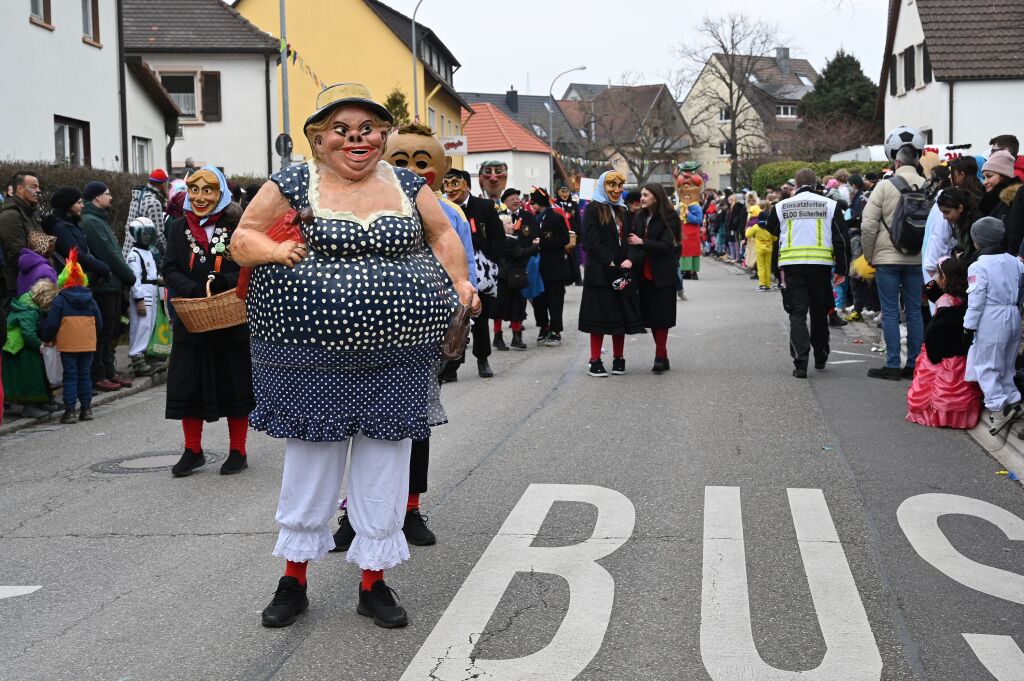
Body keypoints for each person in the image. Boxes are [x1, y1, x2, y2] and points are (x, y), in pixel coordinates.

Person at [230, 83, 478, 629]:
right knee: (312, 463)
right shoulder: (294, 181)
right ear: (319, 139)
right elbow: (243, 237)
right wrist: (275, 249)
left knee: (384, 465)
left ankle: (374, 580)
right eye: (342, 130)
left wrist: (460, 281)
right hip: (307, 355)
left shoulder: (409, 184)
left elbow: (441, 236)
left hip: (397, 355)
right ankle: (293, 578)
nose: (356, 139)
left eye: (367, 129)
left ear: (383, 135)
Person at [162, 166, 254, 478]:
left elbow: (249, 265)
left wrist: (226, 282)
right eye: (195, 190)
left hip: (229, 316)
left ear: (222, 194)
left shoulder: (235, 225)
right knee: (189, 384)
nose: (201, 197)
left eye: (209, 190)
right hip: (191, 317)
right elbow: (170, 266)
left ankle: (238, 451)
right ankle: (192, 450)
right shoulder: (177, 228)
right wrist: (189, 289)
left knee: (234, 382)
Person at [766, 168, 848, 378]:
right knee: (819, 313)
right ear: (815, 184)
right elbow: (841, 239)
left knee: (797, 313)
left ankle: (801, 362)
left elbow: (771, 230)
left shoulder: (781, 206)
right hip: (820, 266)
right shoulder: (830, 205)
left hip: (793, 266)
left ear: (795, 184)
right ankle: (820, 355)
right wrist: (842, 269)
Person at [862, 142, 927, 380]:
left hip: (887, 256)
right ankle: (914, 365)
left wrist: (870, 255)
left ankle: (891, 364)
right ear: (917, 162)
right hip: (917, 257)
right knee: (914, 312)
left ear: (896, 163)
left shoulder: (884, 186)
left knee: (890, 311)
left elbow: (868, 225)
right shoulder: (927, 186)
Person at [578, 171, 645, 377]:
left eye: (620, 186)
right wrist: (610, 260)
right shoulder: (592, 209)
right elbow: (591, 240)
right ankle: (595, 360)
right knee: (598, 319)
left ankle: (619, 357)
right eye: (612, 185)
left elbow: (632, 239)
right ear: (601, 186)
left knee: (620, 318)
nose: (616, 190)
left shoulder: (624, 211)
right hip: (599, 273)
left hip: (621, 272)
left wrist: (630, 259)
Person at [962, 217, 1024, 434]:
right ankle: (1013, 399)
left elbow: (976, 300)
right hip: (1013, 312)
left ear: (977, 241)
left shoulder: (978, 266)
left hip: (991, 316)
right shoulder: (1014, 261)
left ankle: (998, 407)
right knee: (1007, 362)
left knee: (985, 364)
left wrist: (968, 327)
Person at [906, 256, 981, 429]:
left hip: (940, 354)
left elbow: (933, 333)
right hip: (959, 355)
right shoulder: (963, 297)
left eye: (938, 275)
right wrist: (946, 265)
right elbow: (930, 288)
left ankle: (937, 415)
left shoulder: (946, 305)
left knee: (934, 386)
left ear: (944, 278)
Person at [444, 168, 503, 377]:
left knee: (480, 318)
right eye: (446, 183)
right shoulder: (441, 207)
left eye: (455, 183)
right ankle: (452, 365)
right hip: (451, 271)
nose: (450, 189)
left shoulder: (484, 206)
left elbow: (499, 238)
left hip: (481, 272)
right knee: (454, 319)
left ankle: (483, 359)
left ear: (467, 185)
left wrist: (490, 258)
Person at [80, 181, 136, 392]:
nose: (111, 197)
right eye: (107, 194)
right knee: (103, 332)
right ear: (96, 198)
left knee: (112, 331)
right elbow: (109, 254)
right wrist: (129, 276)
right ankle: (99, 374)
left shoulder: (98, 219)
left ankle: (109, 370)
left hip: (113, 284)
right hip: (104, 285)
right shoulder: (91, 222)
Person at [40, 249, 103, 424]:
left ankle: (70, 411)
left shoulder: (60, 300)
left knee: (70, 376)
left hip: (68, 344)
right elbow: (100, 323)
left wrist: (47, 337)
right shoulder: (90, 299)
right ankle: (86, 409)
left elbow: (52, 323)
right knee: (85, 374)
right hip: (88, 343)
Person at [628, 183, 678, 373]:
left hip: (663, 273)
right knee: (651, 318)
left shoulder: (670, 217)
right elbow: (633, 243)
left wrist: (642, 242)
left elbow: (667, 246)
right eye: (641, 195)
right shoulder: (640, 217)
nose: (641, 198)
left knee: (662, 318)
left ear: (656, 197)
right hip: (644, 274)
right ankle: (663, 355)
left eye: (646, 195)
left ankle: (659, 356)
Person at [2, 278, 58, 419]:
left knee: (37, 372)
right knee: (31, 376)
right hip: (19, 348)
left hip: (19, 345)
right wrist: (39, 344)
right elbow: (28, 333)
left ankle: (40, 401)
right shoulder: (29, 311)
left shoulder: (26, 301)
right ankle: (30, 406)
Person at [491, 188, 536, 349]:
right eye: (512, 198)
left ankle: (515, 336)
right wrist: (535, 247)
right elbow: (520, 252)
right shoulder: (499, 221)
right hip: (506, 273)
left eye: (518, 197)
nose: (516, 200)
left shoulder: (527, 217)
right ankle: (500, 336)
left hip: (517, 270)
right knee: (502, 306)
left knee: (517, 304)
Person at [529, 188, 572, 347]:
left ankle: (556, 331)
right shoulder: (533, 218)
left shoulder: (555, 217)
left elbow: (564, 238)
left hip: (554, 266)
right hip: (537, 268)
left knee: (555, 300)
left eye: (533, 201)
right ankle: (543, 326)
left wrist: (544, 243)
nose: (531, 205)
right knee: (538, 300)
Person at [48, 188, 111, 280]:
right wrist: (102, 268)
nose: (82, 205)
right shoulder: (60, 228)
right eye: (78, 202)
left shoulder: (72, 224)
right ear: (68, 205)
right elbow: (76, 254)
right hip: (69, 282)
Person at [0, 170, 43, 307]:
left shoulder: (31, 214)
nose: (38, 190)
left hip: (37, 283)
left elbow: (44, 248)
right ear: (19, 188)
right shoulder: (10, 215)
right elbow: (18, 256)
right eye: (34, 187)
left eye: (38, 187)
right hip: (21, 288)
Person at [125, 218, 160, 377]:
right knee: (141, 324)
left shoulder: (148, 252)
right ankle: (137, 357)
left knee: (150, 324)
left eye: (149, 233)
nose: (147, 237)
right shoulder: (134, 254)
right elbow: (135, 278)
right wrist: (139, 299)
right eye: (143, 234)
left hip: (152, 289)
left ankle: (145, 353)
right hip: (143, 292)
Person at [122, 168, 170, 262]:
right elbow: (158, 234)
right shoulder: (154, 203)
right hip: (143, 258)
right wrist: (167, 254)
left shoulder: (137, 197)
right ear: (163, 185)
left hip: (128, 252)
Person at [675, 171, 704, 296]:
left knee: (693, 252)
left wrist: (689, 215)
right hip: (683, 231)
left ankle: (693, 271)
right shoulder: (679, 206)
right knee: (684, 251)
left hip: (692, 231)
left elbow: (699, 220)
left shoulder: (696, 206)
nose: (686, 196)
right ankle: (685, 271)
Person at [980, 150, 1021, 228]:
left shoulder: (1015, 200)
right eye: (983, 177)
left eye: (989, 176)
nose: (984, 182)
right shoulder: (988, 199)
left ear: (1003, 177)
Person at [745, 207, 777, 291]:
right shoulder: (770, 227)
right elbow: (775, 238)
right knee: (768, 267)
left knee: (761, 267)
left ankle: (762, 285)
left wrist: (748, 229)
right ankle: (767, 284)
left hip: (759, 249)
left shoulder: (756, 227)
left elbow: (748, 235)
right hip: (769, 248)